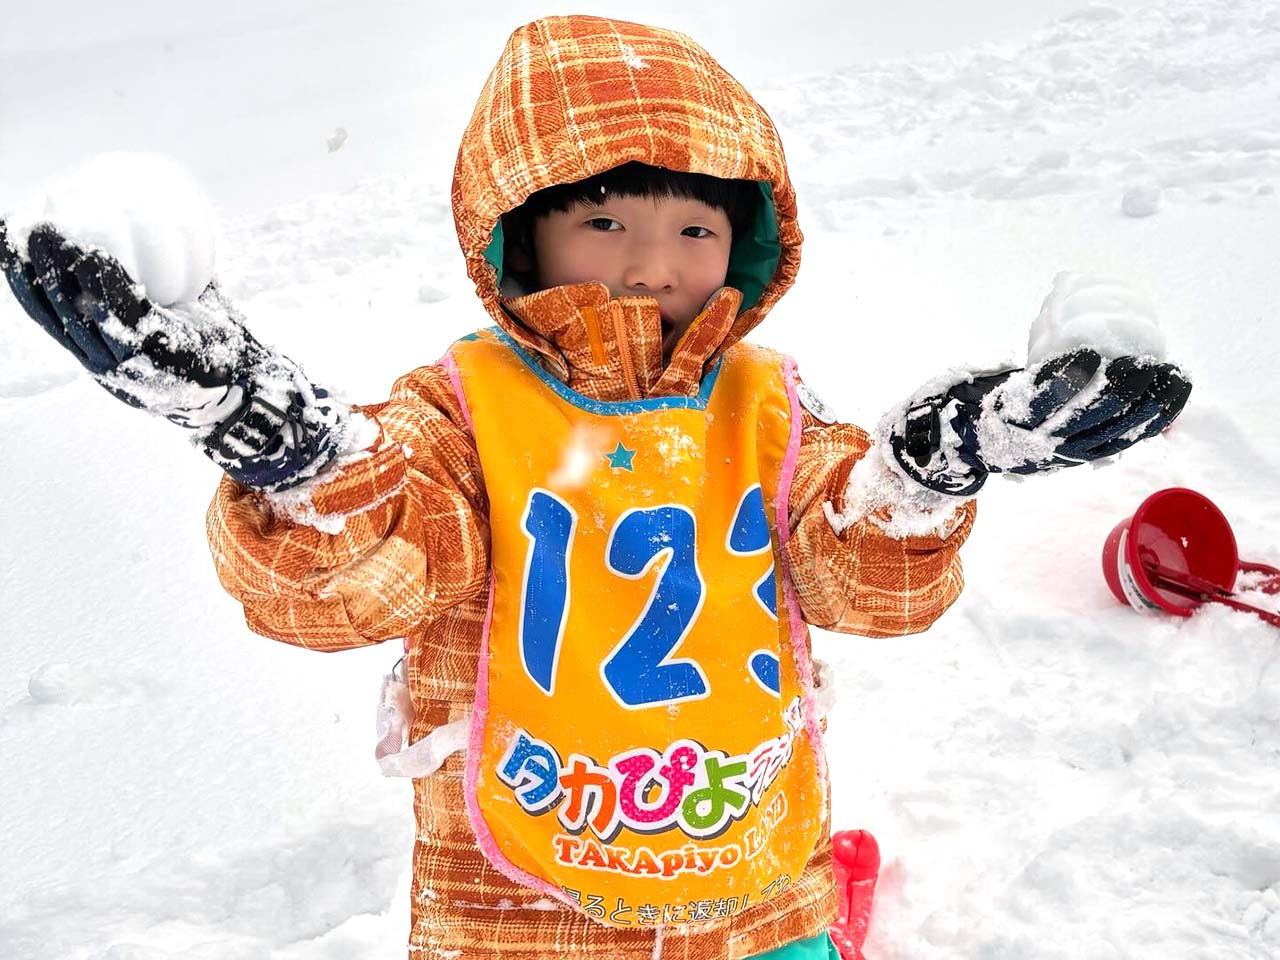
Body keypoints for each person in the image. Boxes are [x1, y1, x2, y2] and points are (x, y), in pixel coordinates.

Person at [0, 15, 1190, 960]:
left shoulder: (767, 401)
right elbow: (367, 579)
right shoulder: (462, 409)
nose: (649, 262)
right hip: (519, 894)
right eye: (605, 217)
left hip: (744, 849)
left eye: (694, 228)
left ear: (749, 242)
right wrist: (293, 454)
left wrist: (930, 468)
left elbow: (859, 579)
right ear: (519, 237)